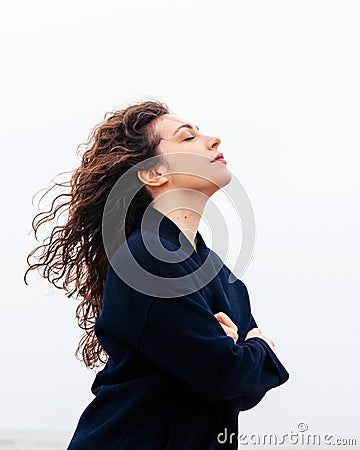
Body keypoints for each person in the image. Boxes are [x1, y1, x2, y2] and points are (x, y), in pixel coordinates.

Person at [24, 101, 289, 450]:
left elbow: (237, 391)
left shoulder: (224, 280)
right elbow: (221, 376)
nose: (214, 140)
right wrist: (257, 346)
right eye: (188, 137)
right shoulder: (144, 259)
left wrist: (236, 356)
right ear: (152, 173)